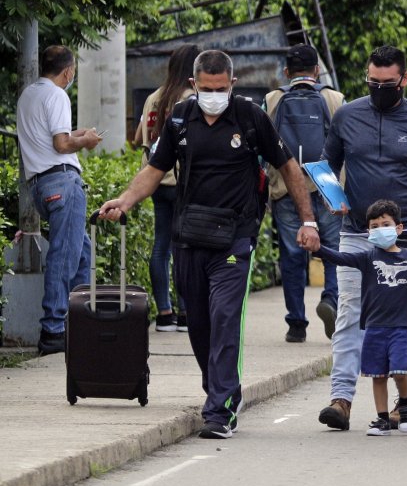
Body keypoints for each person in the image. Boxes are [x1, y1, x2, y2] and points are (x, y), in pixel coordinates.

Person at [99, 49, 321, 439]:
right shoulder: (181, 118)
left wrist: (308, 220)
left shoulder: (251, 117)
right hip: (190, 237)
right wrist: (125, 200)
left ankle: (220, 410)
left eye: (221, 88)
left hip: (235, 239)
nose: (214, 95)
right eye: (206, 89)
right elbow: (154, 169)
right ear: (193, 85)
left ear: (232, 84)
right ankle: (220, 391)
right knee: (199, 325)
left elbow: (288, 166)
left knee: (224, 321)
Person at [317, 45, 407, 432]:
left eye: (387, 83)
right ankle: (341, 400)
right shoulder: (346, 115)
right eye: (372, 82)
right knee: (350, 314)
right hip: (358, 234)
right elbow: (326, 166)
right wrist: (332, 198)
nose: (379, 88)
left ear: (404, 79)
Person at [16, 45, 103, 355]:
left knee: (81, 252)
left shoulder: (29, 95)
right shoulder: (58, 95)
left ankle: (78, 322)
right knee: (65, 256)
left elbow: (52, 137)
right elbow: (62, 143)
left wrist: (80, 133)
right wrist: (88, 141)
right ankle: (54, 329)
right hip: (62, 182)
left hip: (40, 185)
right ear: (69, 71)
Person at [313, 200, 407, 436]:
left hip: (401, 327)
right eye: (375, 226)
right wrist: (317, 248)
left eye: (386, 224)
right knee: (378, 375)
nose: (381, 229)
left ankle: (405, 404)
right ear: (368, 232)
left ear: (399, 228)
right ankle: (382, 419)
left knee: (400, 371)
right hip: (374, 327)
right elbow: (339, 258)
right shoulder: (366, 258)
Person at [262, 44, 345, 343]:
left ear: (286, 72)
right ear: (317, 71)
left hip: (285, 185)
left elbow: (262, 146)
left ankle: (296, 322)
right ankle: (331, 300)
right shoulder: (334, 98)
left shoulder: (273, 99)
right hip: (328, 183)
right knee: (334, 250)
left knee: (292, 254)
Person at [133, 44, 199, 333]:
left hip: (157, 181)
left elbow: (139, 138)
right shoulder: (192, 99)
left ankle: (164, 314)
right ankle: (185, 313)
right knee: (185, 248)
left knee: (161, 247)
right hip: (185, 182)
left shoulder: (153, 98)